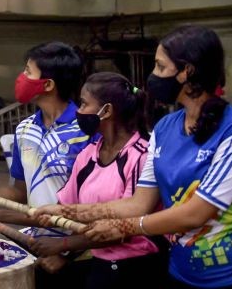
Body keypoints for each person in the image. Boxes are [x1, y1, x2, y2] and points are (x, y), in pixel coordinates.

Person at [36, 26, 232, 288]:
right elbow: (139, 203)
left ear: (186, 72)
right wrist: (66, 211)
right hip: (181, 271)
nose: (153, 76)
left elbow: (196, 213)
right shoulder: (165, 127)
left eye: (160, 66)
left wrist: (125, 227)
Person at [30, 72, 166, 288]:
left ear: (107, 111)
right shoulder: (89, 153)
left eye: (83, 104)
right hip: (101, 259)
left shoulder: (142, 155)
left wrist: (62, 246)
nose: (78, 111)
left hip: (136, 264)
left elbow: (120, 230)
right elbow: (62, 209)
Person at [0, 42, 90, 281]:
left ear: (47, 84)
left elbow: (101, 205)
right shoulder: (24, 129)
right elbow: (19, 192)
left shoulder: (86, 131)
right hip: (37, 248)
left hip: (81, 254)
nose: (21, 78)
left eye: (28, 71)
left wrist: (66, 253)